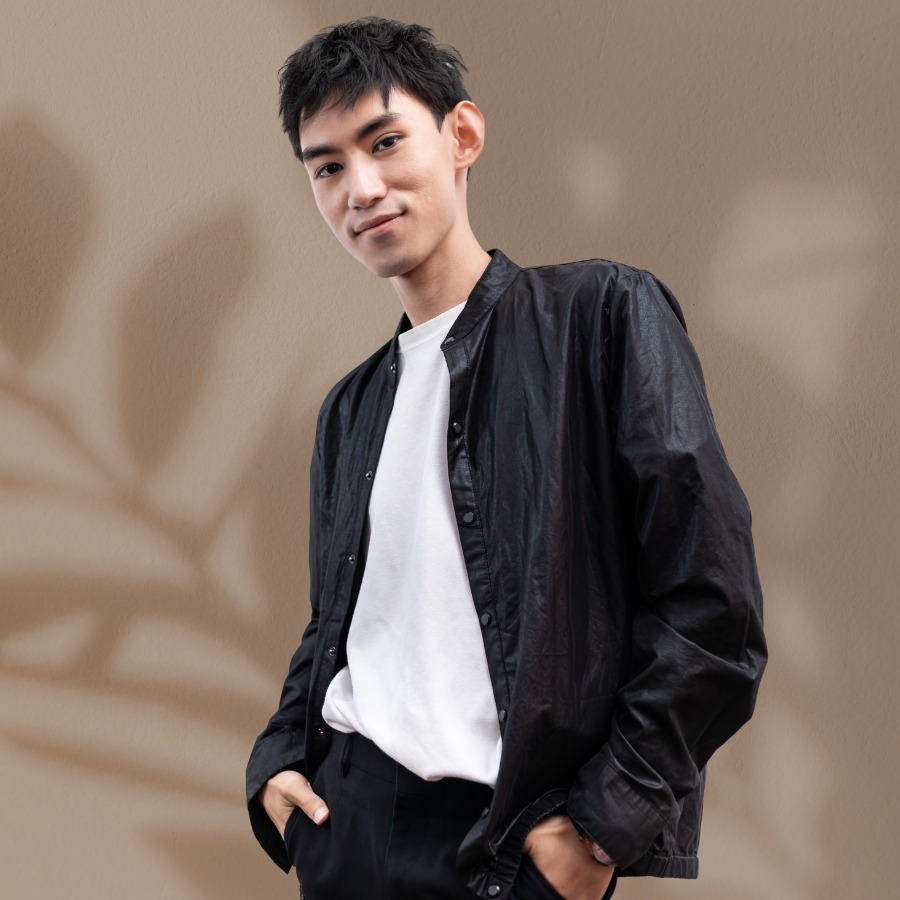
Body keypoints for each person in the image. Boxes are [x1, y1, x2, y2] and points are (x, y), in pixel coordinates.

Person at [245, 16, 767, 900]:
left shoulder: (600, 318)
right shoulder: (351, 408)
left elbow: (713, 606)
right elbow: (335, 626)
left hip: (505, 843)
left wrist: (602, 824)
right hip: (347, 829)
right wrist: (277, 763)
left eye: (383, 142)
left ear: (462, 135)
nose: (360, 188)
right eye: (326, 167)